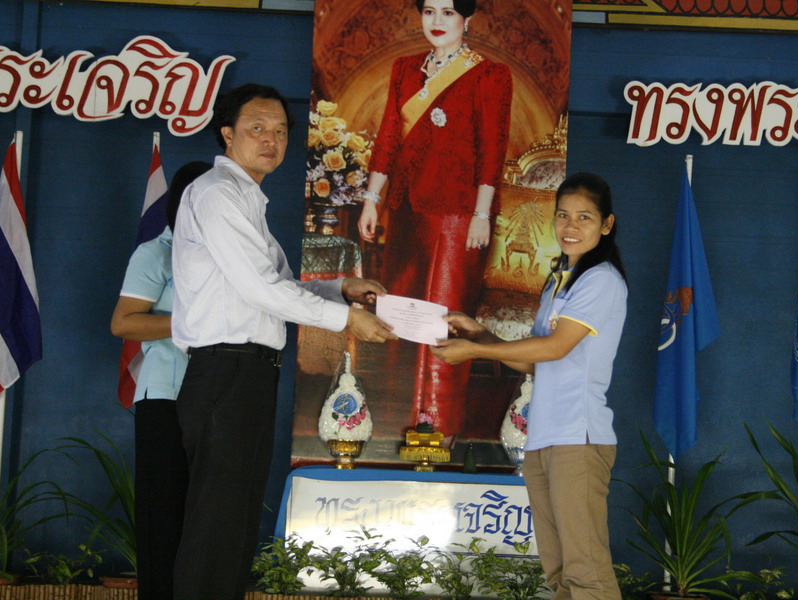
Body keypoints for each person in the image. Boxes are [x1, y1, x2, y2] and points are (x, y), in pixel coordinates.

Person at [170, 83, 396, 600]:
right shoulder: (217, 194)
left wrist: (341, 287)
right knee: (216, 525)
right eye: (257, 128)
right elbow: (261, 289)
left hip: (244, 373)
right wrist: (345, 319)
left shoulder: (246, 198)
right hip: (225, 371)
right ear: (227, 134)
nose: (270, 140)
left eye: (279, 131)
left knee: (234, 521)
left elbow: (276, 286)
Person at [431, 173, 627, 600]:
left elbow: (556, 347)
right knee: (558, 571)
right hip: (544, 438)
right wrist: (481, 335)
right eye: (562, 216)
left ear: (606, 224)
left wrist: (473, 350)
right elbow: (535, 362)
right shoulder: (560, 280)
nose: (570, 227)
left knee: (586, 570)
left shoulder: (601, 280)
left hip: (578, 437)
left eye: (584, 217)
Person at [357, 0, 512, 440]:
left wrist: (481, 213)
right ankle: (394, 426)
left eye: (448, 12)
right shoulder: (405, 68)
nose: (437, 22)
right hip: (406, 209)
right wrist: (372, 200)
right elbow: (389, 135)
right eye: (429, 12)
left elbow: (493, 146)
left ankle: (437, 429)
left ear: (468, 18)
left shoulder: (489, 74)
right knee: (400, 312)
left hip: (457, 213)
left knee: (442, 319)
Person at [110, 160, 211, 600]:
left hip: (216, 396)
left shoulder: (230, 255)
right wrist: (189, 323)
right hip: (166, 397)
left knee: (206, 520)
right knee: (164, 516)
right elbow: (123, 323)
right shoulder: (155, 253)